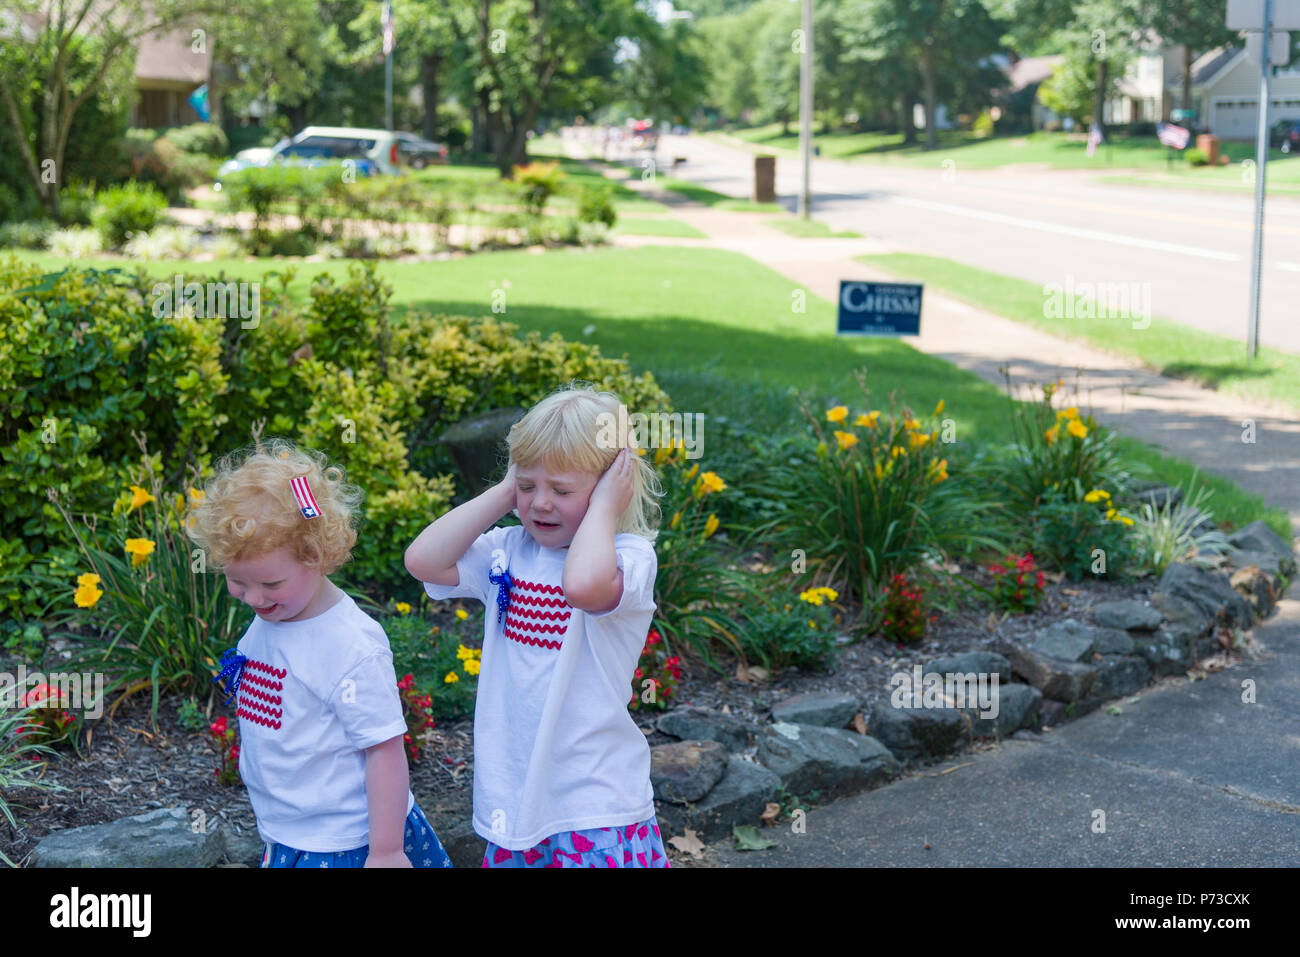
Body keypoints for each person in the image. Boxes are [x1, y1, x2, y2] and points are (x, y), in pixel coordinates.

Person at [404, 383, 671, 868]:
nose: (541, 504)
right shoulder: (507, 550)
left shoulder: (628, 560)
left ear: (615, 486)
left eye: (562, 490)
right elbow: (423, 561)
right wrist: (506, 491)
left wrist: (606, 509)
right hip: (516, 804)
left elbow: (583, 587)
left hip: (595, 804)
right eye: (529, 487)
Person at [186, 437, 452, 868]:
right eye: (238, 581)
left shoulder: (349, 645)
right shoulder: (276, 615)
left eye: (270, 584)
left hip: (351, 841)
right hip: (289, 827)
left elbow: (384, 749)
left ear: (318, 556)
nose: (253, 598)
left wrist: (387, 851)